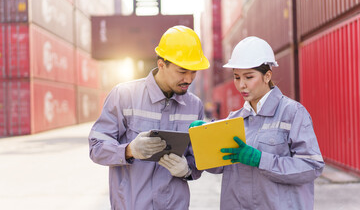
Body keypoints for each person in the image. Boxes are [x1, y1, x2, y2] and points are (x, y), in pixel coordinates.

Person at [195, 36, 325, 209]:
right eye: (236, 77)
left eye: (249, 77)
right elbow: (218, 167)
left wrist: (261, 160)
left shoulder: (292, 113)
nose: (241, 85)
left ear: (267, 76)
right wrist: (201, 142)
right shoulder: (234, 120)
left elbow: (312, 166)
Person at [88, 25, 210, 210]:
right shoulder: (124, 96)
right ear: (161, 64)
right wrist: (128, 150)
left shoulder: (194, 106)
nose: (189, 79)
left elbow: (198, 159)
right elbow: (96, 148)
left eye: (194, 71)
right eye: (182, 71)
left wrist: (187, 170)